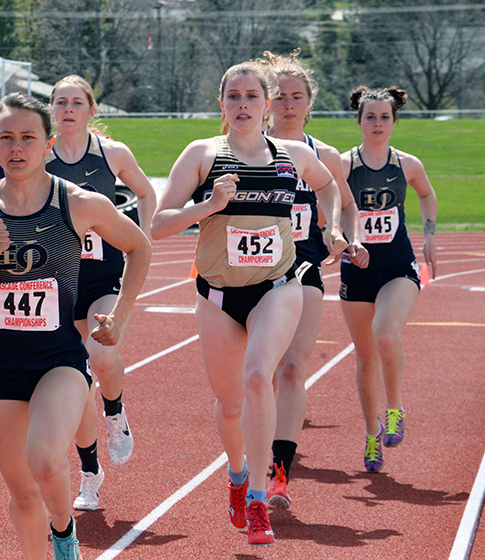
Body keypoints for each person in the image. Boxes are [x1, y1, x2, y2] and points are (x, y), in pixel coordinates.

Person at [0, 93, 151, 560]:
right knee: (22, 494)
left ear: (48, 144)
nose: (16, 148)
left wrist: (120, 317)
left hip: (59, 359)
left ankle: (64, 535)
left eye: (28, 138)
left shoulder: (77, 203)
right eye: (6, 138)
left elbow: (139, 247)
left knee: (43, 459)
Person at [151, 61, 347, 546]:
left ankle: (259, 500)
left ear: (266, 103)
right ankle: (238, 477)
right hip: (217, 296)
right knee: (230, 404)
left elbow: (327, 185)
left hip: (277, 287)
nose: (243, 105)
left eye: (252, 97)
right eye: (233, 96)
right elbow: (157, 225)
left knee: (260, 376)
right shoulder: (202, 155)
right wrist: (207, 207)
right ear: (222, 104)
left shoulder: (293, 154)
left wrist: (333, 224)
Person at [257, 51, 368, 509]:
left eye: (295, 97)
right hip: (249, 275)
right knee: (253, 376)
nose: (287, 104)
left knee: (292, 367)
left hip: (301, 270)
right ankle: (249, 459)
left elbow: (347, 205)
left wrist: (347, 236)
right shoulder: (243, 148)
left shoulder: (322, 155)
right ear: (266, 103)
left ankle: (280, 473)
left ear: (309, 103)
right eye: (279, 97)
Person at [339, 86, 437, 473]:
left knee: (385, 334)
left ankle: (395, 408)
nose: (377, 123)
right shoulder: (344, 165)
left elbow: (427, 195)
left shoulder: (407, 164)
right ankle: (370, 433)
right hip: (357, 268)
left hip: (399, 265)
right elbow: (328, 203)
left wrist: (429, 236)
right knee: (365, 358)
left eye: (384, 117)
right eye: (370, 117)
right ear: (359, 121)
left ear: (394, 121)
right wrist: (340, 238)